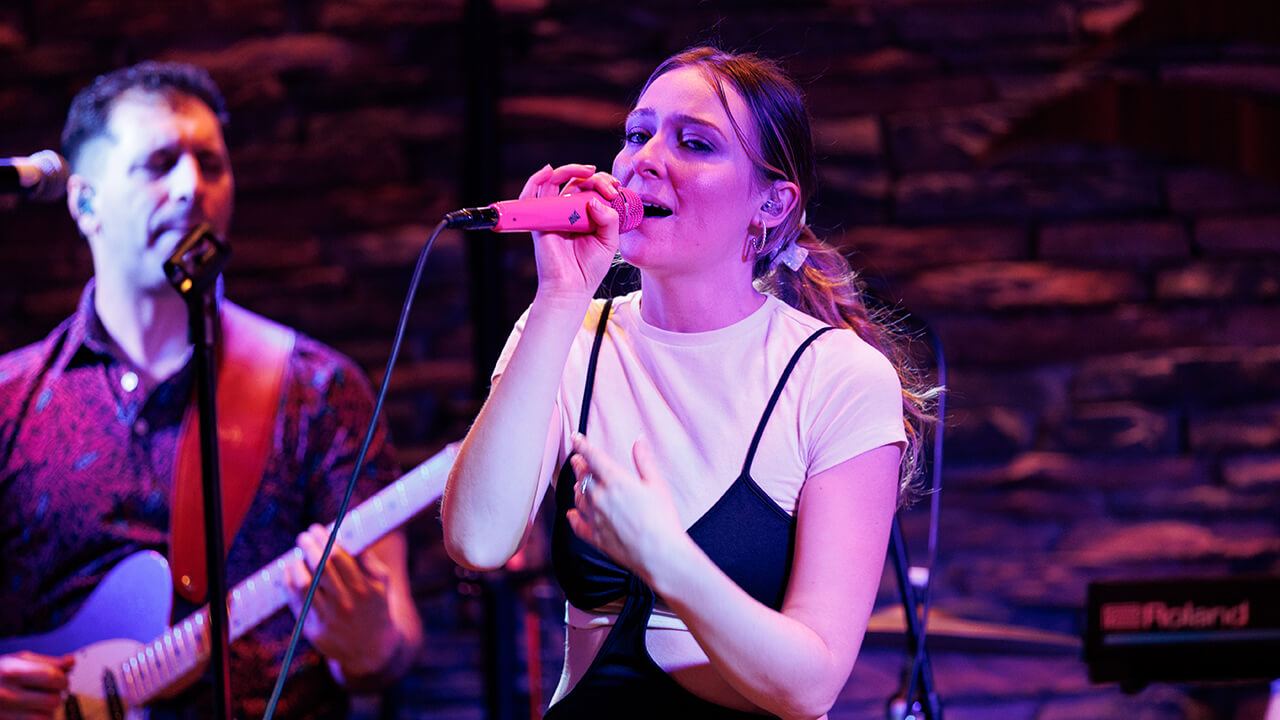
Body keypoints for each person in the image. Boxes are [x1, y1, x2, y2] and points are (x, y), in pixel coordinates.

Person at [442, 46, 934, 719]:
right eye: (638, 134)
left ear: (772, 201)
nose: (644, 159)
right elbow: (477, 538)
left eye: (694, 143)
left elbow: (810, 682)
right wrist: (559, 293)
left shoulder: (836, 377)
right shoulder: (568, 332)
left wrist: (661, 556)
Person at [0, 61, 422, 720]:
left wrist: (370, 645)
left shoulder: (314, 388)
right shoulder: (10, 399)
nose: (192, 187)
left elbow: (392, 641)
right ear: (84, 203)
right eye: (159, 163)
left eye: (211, 164)